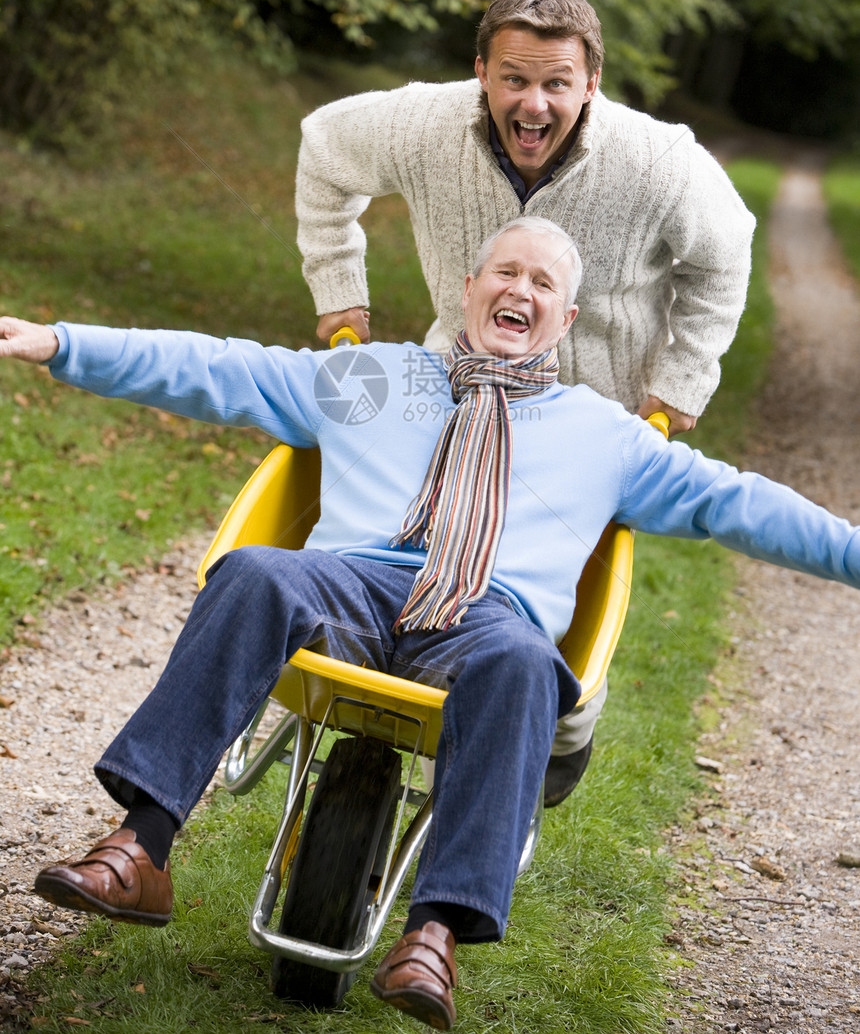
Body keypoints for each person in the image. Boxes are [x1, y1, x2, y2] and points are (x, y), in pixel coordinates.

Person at [4, 219, 857, 1033]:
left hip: (489, 617)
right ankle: (138, 851)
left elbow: (737, 502)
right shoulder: (371, 377)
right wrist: (62, 343)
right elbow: (219, 367)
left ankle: (435, 936)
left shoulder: (606, 437)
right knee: (258, 570)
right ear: (469, 288)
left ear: (564, 318)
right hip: (356, 581)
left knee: (524, 662)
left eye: (542, 283)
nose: (519, 290)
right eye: (505, 272)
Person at [295, 0, 757, 804]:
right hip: (461, 389)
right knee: (420, 555)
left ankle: (556, 731)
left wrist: (680, 383)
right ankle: (385, 687)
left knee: (558, 615)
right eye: (513, 78)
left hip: (593, 423)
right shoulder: (424, 127)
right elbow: (326, 147)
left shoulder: (656, 164)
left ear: (591, 84)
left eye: (555, 82)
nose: (533, 102)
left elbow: (724, 253)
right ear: (481, 72)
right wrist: (340, 293)